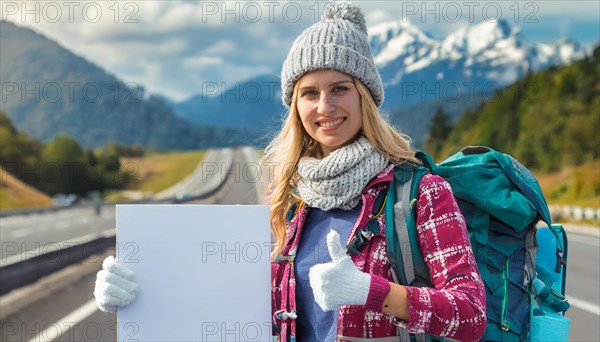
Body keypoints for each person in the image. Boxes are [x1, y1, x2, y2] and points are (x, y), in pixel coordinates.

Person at [94, 2, 486, 341]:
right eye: (309, 93)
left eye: (340, 89)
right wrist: (141, 295)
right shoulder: (290, 198)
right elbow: (245, 309)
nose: (325, 107)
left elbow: (470, 315)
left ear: (365, 96)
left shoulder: (421, 192)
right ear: (295, 106)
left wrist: (370, 289)